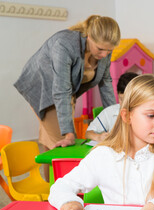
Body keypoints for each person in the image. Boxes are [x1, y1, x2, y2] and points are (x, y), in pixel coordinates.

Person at [48, 75, 154, 210]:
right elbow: (60, 187)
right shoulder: (104, 155)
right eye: (151, 115)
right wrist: (69, 202)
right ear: (127, 115)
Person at [14, 15, 121, 150]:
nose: (105, 54)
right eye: (100, 49)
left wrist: (114, 118)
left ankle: (49, 171)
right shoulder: (64, 45)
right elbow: (61, 90)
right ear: (89, 37)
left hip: (66, 90)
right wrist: (69, 134)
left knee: (53, 142)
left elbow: (105, 83)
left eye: (109, 50)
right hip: (43, 87)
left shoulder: (104, 48)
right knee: (65, 143)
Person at [85, 72, 138, 142]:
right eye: (121, 99)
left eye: (129, 100)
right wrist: (98, 137)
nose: (125, 105)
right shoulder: (110, 112)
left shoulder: (146, 113)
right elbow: (88, 133)